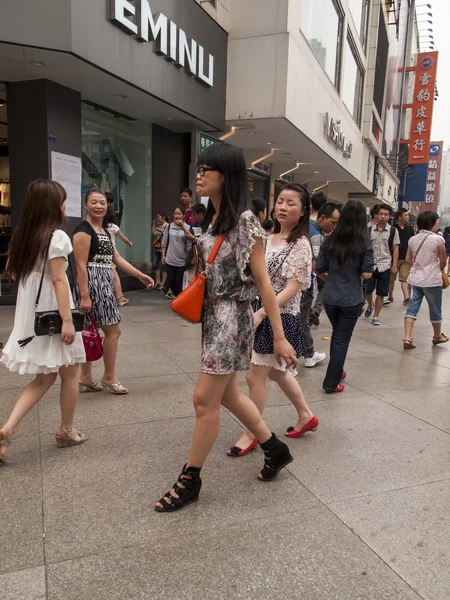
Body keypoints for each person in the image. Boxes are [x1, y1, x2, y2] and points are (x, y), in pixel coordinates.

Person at [155, 142, 297, 513]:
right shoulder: (214, 219)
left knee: (204, 400)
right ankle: (275, 448)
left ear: (227, 175)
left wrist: (279, 337)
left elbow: (265, 283)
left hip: (231, 318)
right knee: (230, 396)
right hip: (214, 316)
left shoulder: (246, 222)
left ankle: (190, 479)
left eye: (207, 169)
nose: (199, 176)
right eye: (199, 169)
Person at [227, 183, 318, 457]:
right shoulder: (268, 237)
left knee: (255, 376)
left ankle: (252, 432)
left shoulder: (300, 245)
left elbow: (292, 288)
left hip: (279, 316)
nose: (283, 207)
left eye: (291, 203)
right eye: (280, 201)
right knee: (277, 372)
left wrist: (262, 312)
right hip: (262, 312)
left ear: (303, 212)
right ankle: (306, 415)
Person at [0, 180, 87, 463]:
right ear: (53, 205)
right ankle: (67, 430)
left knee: (45, 377)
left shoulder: (23, 236)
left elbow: (13, 274)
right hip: (54, 312)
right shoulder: (57, 237)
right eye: (62, 199)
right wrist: (67, 321)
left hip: (31, 314)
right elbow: (60, 280)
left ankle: (8, 428)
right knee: (71, 373)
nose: (65, 205)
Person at [73, 188, 154, 395]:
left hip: (104, 282)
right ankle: (109, 377)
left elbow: (116, 259)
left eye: (102, 202)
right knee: (113, 331)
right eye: (94, 202)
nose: (99, 206)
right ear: (85, 205)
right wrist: (84, 295)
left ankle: (86, 378)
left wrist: (139, 275)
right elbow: (81, 266)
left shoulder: (104, 230)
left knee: (91, 330)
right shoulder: (83, 230)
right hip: (93, 283)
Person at [316, 201, 374, 393]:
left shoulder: (329, 240)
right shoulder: (364, 242)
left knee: (337, 335)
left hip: (330, 297)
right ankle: (330, 383)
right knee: (342, 339)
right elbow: (367, 273)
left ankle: (337, 369)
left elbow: (320, 269)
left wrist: (334, 277)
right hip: (351, 299)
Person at [403, 211, 448, 349]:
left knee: (411, 309)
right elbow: (443, 261)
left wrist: (419, 264)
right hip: (432, 281)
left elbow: (408, 260)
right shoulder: (438, 240)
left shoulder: (413, 239)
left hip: (415, 280)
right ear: (433, 223)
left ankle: (408, 338)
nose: (438, 224)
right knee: (435, 309)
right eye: (437, 221)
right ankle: (437, 336)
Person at [308, 202, 341, 331]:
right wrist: (330, 280)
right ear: (322, 218)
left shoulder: (309, 226)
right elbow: (315, 265)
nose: (334, 227)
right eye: (333, 222)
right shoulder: (316, 236)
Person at [365, 204, 399, 325]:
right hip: (371, 264)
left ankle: (376, 316)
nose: (383, 217)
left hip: (385, 265)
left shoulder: (393, 231)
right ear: (377, 215)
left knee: (381, 292)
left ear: (389, 217)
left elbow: (395, 248)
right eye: (381, 214)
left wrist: (394, 265)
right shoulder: (369, 229)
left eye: (385, 214)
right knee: (368, 290)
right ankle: (370, 305)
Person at [103, 205, 133, 307]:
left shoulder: (100, 227)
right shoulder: (113, 227)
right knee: (114, 277)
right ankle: (119, 298)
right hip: (111, 254)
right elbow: (123, 238)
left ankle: (115, 297)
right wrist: (129, 243)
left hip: (102, 254)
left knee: (109, 276)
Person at [161, 207, 192, 299]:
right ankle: (178, 298)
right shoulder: (169, 226)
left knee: (179, 282)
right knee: (171, 281)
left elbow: (189, 243)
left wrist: (182, 226)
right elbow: (164, 242)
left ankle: (180, 299)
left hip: (182, 259)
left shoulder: (187, 228)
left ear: (183, 215)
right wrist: (163, 255)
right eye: (175, 214)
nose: (177, 216)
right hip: (170, 258)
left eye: (179, 214)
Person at [388, 208, 415, 305]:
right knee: (391, 280)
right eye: (405, 215)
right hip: (393, 259)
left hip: (405, 258)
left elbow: (413, 243)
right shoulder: (392, 228)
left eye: (407, 215)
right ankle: (390, 296)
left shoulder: (410, 228)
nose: (407, 217)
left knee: (404, 279)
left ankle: (406, 298)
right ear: (399, 217)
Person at [152, 213, 168, 291]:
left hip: (164, 249)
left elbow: (166, 235)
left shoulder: (167, 226)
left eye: (158, 217)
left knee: (163, 266)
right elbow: (153, 233)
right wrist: (154, 225)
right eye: (156, 217)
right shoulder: (158, 225)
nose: (157, 219)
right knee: (155, 264)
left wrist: (160, 230)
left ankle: (163, 283)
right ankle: (157, 281)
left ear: (163, 217)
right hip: (157, 248)